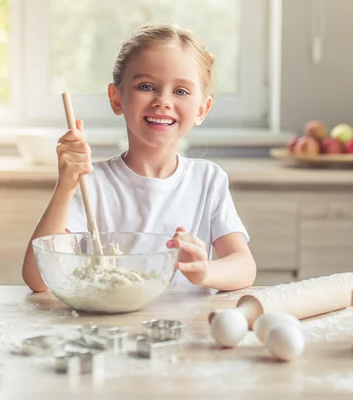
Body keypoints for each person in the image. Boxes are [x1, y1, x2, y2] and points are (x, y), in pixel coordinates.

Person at [22, 23, 256, 293]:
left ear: (202, 109)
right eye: (146, 86)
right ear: (117, 98)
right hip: (110, 331)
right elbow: (38, 278)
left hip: (185, 330)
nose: (162, 101)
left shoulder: (208, 180)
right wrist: (66, 186)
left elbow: (244, 267)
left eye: (180, 91)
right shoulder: (90, 183)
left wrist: (205, 271)